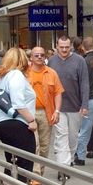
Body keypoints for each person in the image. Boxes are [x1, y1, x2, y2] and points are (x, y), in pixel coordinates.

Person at [0, 48, 39, 185]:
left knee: (12, 160)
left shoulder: (2, 76)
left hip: (0, 124)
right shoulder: (16, 75)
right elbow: (18, 103)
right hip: (17, 123)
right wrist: (32, 120)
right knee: (25, 161)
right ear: (22, 60)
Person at [47, 35, 89, 167]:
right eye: (61, 47)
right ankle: (62, 165)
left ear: (70, 46)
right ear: (57, 47)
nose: (64, 49)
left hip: (75, 105)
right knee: (61, 135)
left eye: (66, 47)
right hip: (57, 107)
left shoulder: (79, 60)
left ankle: (69, 159)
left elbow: (84, 83)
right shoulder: (51, 61)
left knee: (72, 137)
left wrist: (85, 104)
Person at [27, 46, 64, 175]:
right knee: (34, 144)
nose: (39, 57)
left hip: (46, 112)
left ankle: (40, 172)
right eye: (36, 55)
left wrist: (57, 111)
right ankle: (35, 175)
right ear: (31, 57)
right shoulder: (24, 73)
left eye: (42, 55)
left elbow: (58, 93)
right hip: (28, 113)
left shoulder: (51, 73)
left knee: (44, 146)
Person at [75, 37, 93, 164]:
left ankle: (80, 156)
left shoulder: (83, 61)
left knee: (85, 129)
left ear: (83, 47)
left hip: (90, 98)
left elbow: (81, 82)